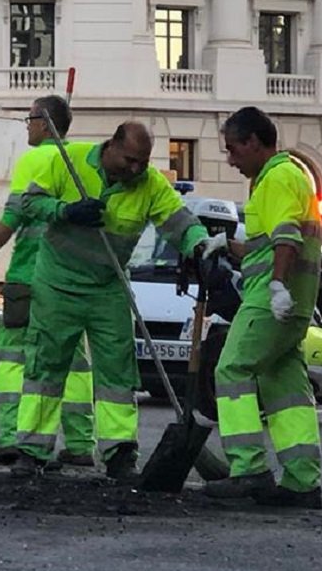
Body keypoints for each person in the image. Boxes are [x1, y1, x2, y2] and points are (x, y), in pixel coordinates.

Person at [15, 121, 224, 479]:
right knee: (46, 367)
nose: (135, 169)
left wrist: (199, 245)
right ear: (110, 145)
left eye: (142, 162)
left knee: (117, 370)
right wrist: (66, 211)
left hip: (108, 285)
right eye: (129, 160)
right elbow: (29, 202)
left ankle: (119, 451)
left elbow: (179, 222)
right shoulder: (71, 161)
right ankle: (31, 451)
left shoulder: (150, 185)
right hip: (58, 282)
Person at [203, 108, 322, 508]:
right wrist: (228, 246)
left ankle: (249, 470)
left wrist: (275, 286)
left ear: (254, 142)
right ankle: (302, 480)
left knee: (232, 368)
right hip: (293, 302)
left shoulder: (276, 177)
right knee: (284, 384)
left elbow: (286, 237)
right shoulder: (287, 177)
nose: (231, 159)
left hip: (269, 300)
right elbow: (268, 244)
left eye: (233, 149)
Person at [0, 93, 95, 468]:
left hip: (28, 279)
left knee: (14, 359)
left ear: (44, 122)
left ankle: (11, 436)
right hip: (71, 284)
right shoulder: (81, 163)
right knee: (74, 364)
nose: (28, 126)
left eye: (29, 120)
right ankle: (80, 444)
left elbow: (14, 216)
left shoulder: (36, 159)